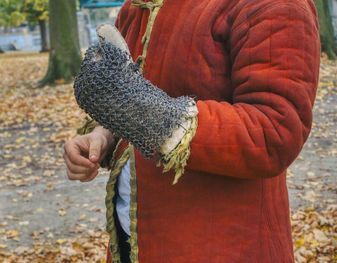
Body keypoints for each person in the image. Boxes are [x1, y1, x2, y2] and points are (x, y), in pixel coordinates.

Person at [64, 0, 321, 262]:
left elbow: (274, 133)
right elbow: (132, 97)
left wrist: (151, 114)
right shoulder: (137, 5)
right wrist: (102, 136)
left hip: (225, 247)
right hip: (131, 241)